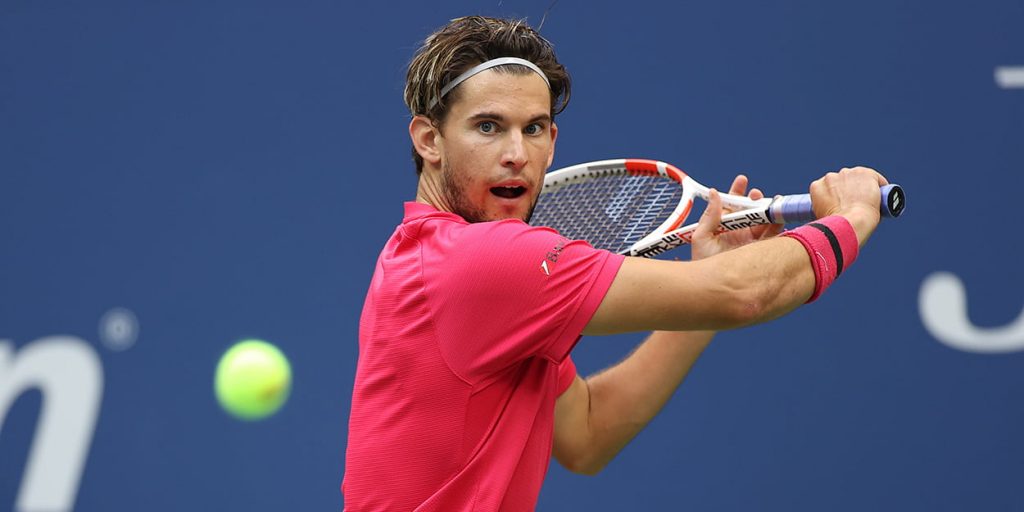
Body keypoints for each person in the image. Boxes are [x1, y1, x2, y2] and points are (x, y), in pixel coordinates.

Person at [342, 15, 888, 511]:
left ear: (553, 140)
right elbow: (742, 294)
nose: (517, 154)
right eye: (488, 127)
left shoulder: (428, 258)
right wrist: (852, 217)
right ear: (429, 140)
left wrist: (704, 284)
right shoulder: (478, 261)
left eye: (533, 128)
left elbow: (587, 434)